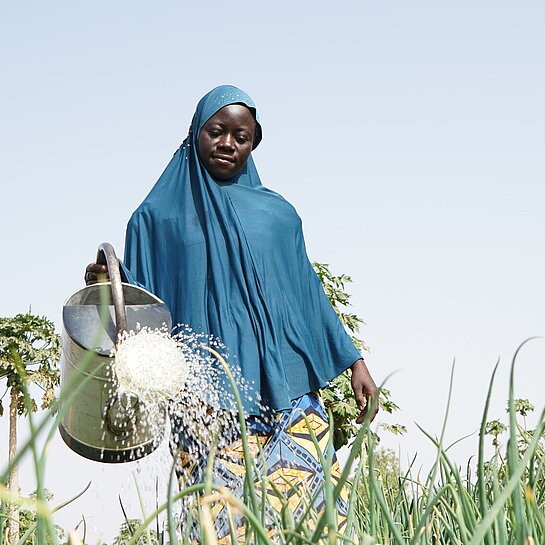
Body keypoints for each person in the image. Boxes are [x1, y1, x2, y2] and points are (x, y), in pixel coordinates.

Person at [85, 85, 378, 538]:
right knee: (219, 529)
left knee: (313, 526)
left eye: (240, 137)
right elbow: (139, 306)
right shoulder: (155, 218)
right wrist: (107, 284)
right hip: (205, 403)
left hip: (288, 397)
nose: (227, 144)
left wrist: (353, 361)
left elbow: (306, 291)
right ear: (195, 135)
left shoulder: (280, 215)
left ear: (253, 143)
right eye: (216, 132)